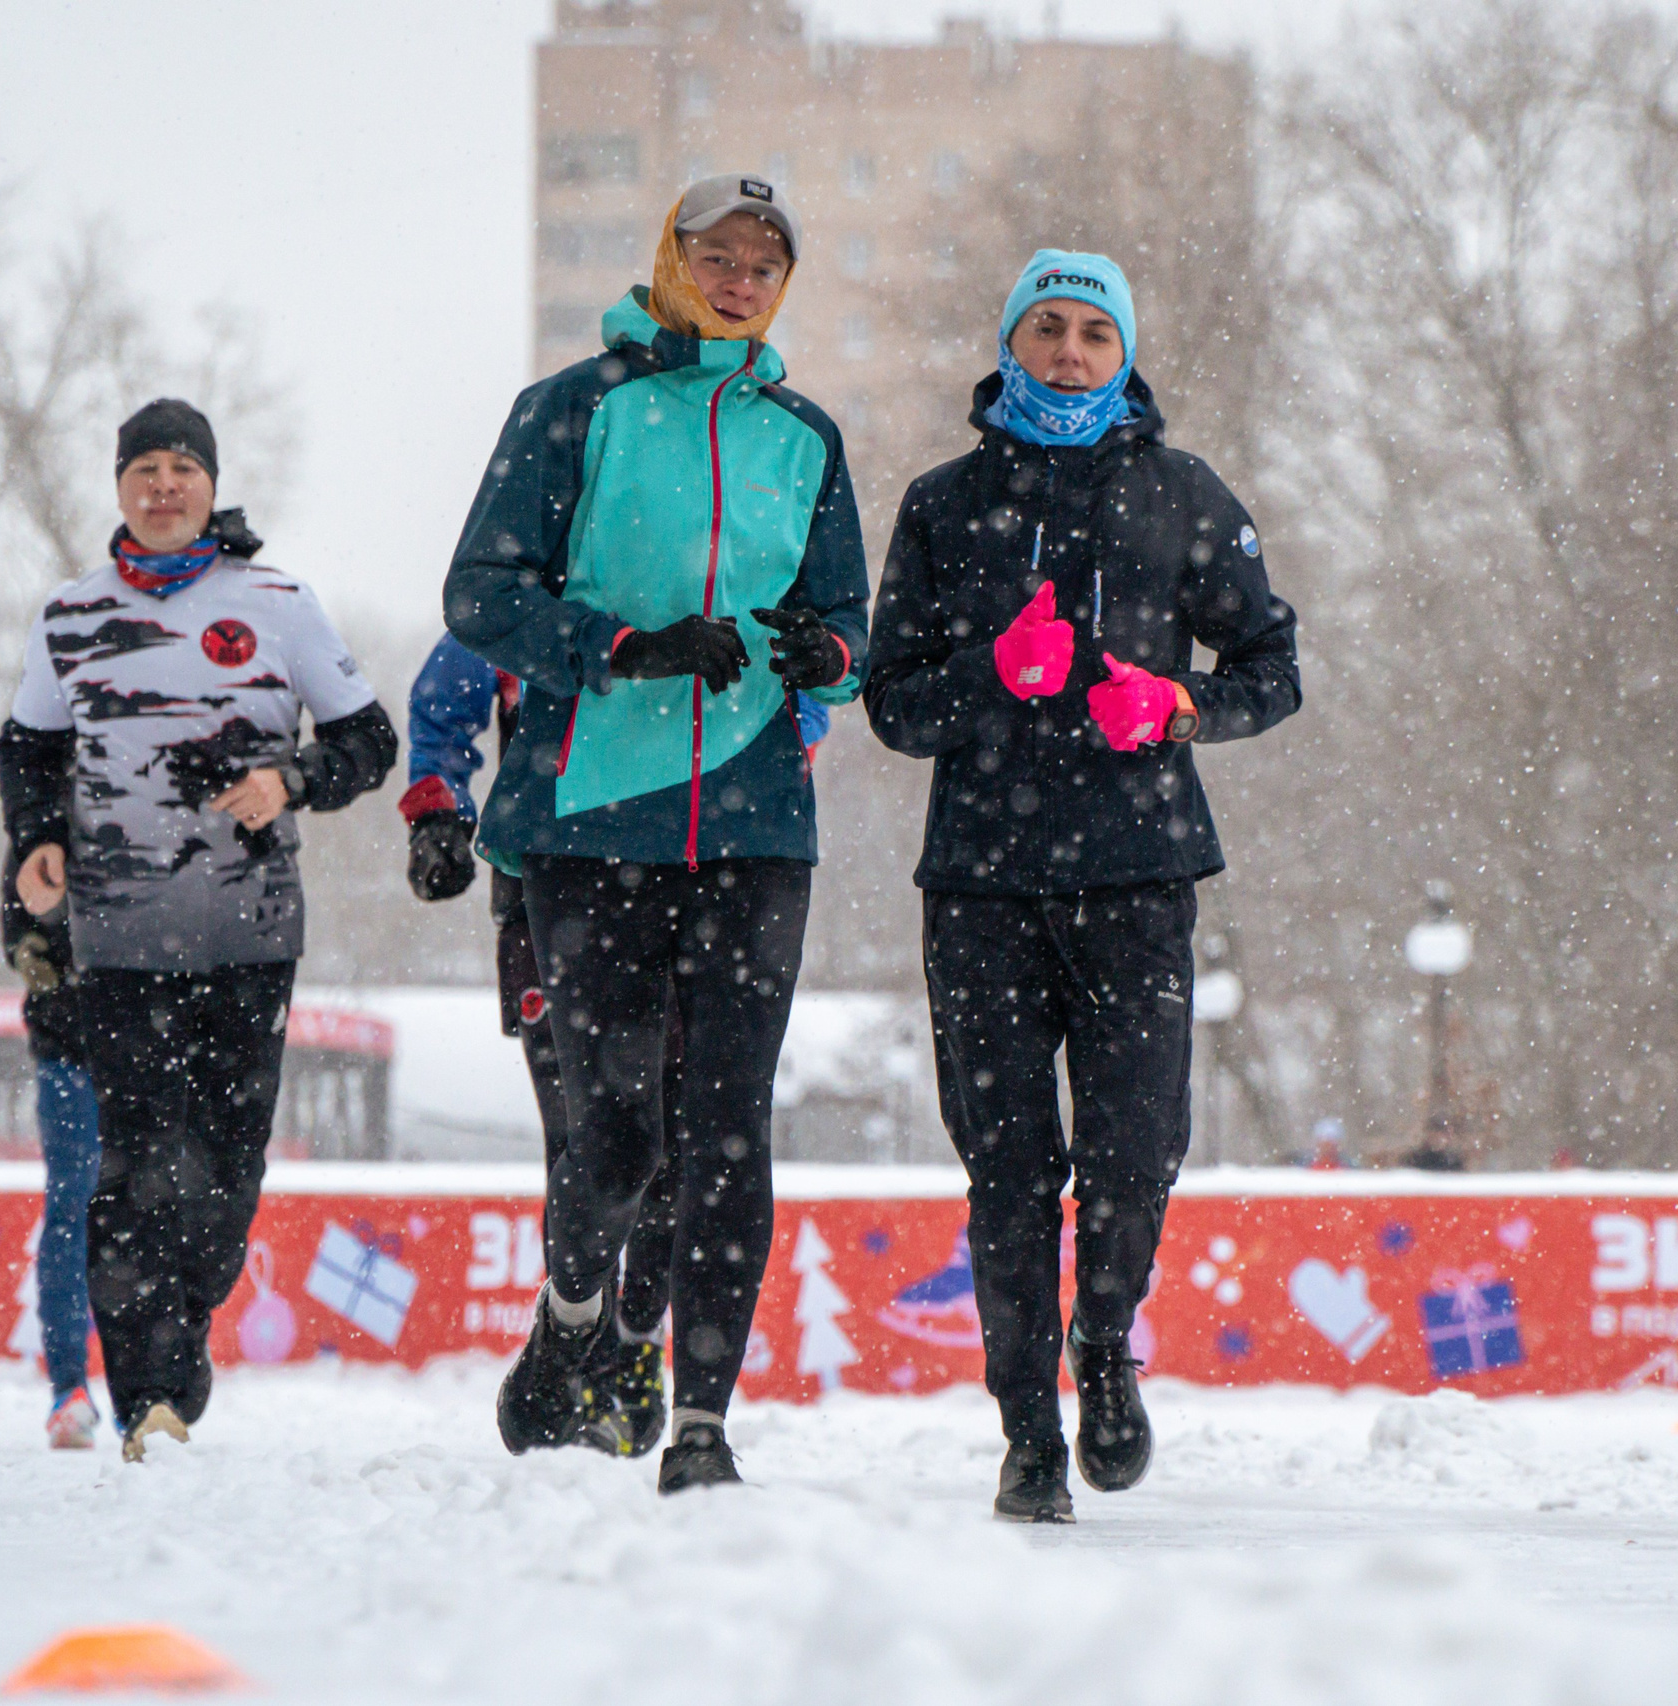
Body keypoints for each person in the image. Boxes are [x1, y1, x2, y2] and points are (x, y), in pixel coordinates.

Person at [444, 173, 868, 1492]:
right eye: (716, 253)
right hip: (592, 814)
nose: (739, 277)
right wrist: (616, 647)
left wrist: (827, 648)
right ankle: (575, 1313)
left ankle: (697, 1415)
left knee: (728, 1126)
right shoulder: (571, 409)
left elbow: (851, 628)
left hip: (753, 819)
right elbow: (481, 594)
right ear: (669, 258)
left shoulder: (806, 434)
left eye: (764, 261)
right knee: (617, 1126)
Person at [865, 251, 1300, 1523]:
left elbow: (1272, 668)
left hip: (1140, 873)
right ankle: (1025, 1436)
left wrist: (1179, 706)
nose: (1067, 353)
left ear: (1124, 356)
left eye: (1092, 335)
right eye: (1045, 330)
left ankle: (1103, 1347)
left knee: (1137, 1148)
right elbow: (891, 706)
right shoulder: (944, 505)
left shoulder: (1185, 493)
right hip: (984, 886)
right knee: (1006, 1170)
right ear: (1008, 346)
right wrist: (994, 671)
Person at [0, 398, 397, 1461]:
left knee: (221, 1176)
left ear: (211, 486)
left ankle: (185, 1334)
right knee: (128, 1170)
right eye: (145, 468)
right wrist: (34, 837)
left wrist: (291, 777)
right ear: (118, 487)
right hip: (116, 943)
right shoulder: (69, 615)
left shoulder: (277, 603)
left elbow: (368, 740)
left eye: (182, 467)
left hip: (249, 938)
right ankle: (150, 1403)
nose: (163, 485)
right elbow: (27, 748)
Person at [0, 868, 103, 1449]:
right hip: (69, 1045)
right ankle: (71, 1388)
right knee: (72, 1208)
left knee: (148, 1206)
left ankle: (156, 1389)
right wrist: (24, 944)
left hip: (146, 1042)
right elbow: (18, 892)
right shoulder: (44, 795)